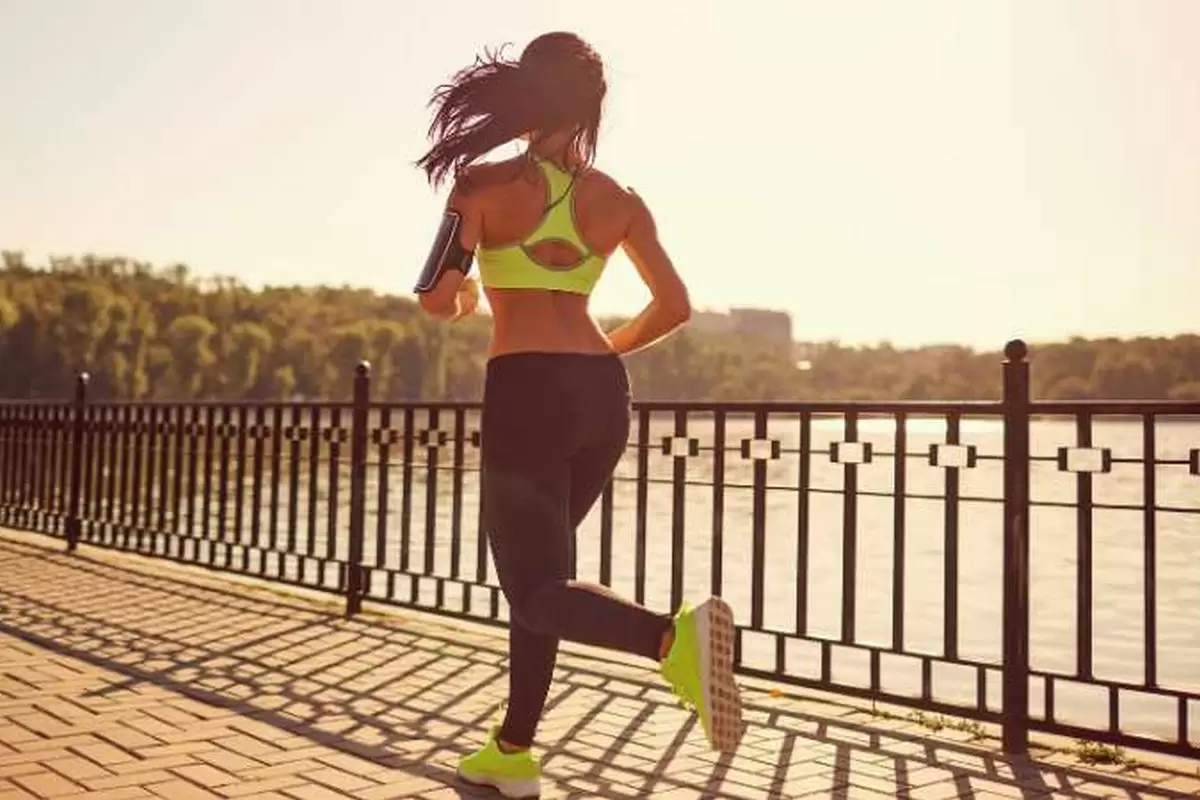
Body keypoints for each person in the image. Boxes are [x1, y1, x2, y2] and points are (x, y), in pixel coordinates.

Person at [413, 31, 744, 799]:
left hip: (525, 391)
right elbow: (675, 307)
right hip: (601, 395)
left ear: (526, 94)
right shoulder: (619, 200)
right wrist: (602, 353)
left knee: (533, 588)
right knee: (545, 584)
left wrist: (465, 298)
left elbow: (435, 297)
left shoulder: (480, 184)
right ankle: (512, 752)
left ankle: (671, 638)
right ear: (593, 104)